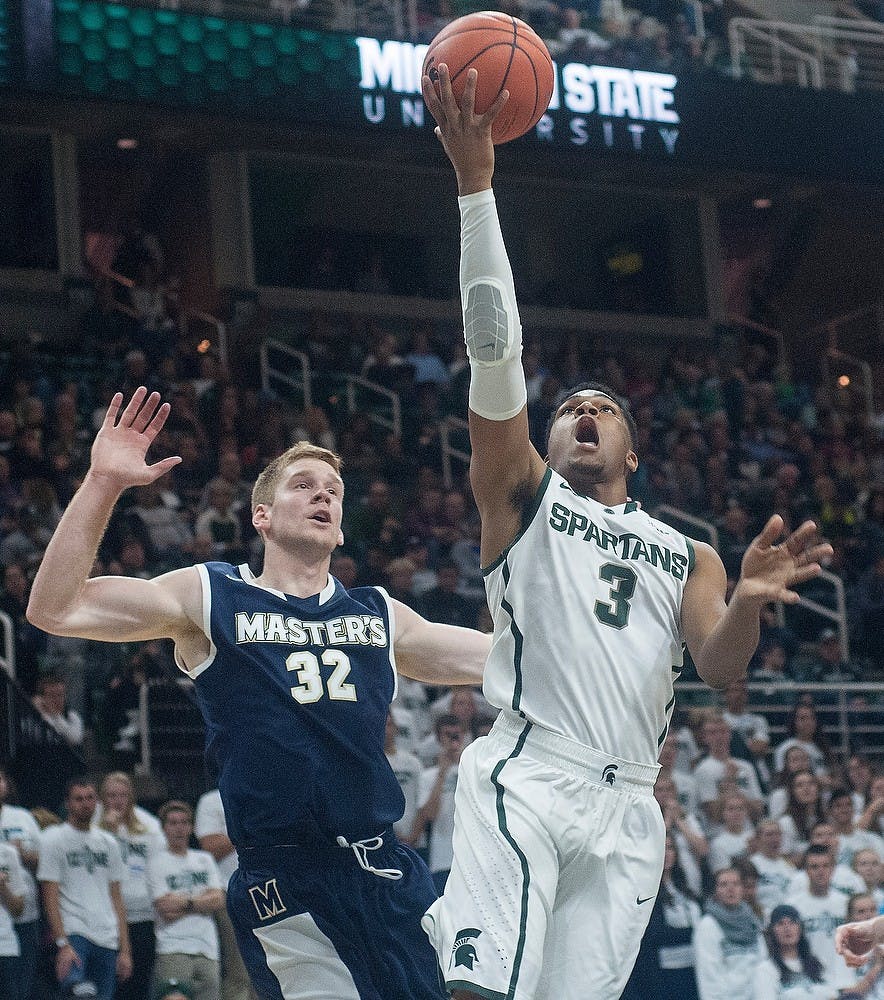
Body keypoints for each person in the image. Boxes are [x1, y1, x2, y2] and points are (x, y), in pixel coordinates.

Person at [420, 63, 832, 1000]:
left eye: (603, 408)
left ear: (634, 449)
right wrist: (476, 192)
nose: (584, 415)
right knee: (481, 992)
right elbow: (494, 353)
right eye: (569, 409)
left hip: (630, 801)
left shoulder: (689, 551)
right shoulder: (521, 498)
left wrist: (753, 606)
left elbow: (721, 672)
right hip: (529, 770)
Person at [26, 387, 491, 1000]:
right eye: (303, 484)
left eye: (332, 489)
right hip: (286, 877)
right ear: (262, 516)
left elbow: (513, 663)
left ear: (342, 524)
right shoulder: (211, 595)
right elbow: (55, 607)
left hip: (385, 870)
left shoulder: (380, 614)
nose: (322, 493)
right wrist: (104, 481)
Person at [37, 777, 132, 1000]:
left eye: (90, 798)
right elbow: (49, 896)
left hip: (107, 935)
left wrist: (125, 950)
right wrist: (62, 942)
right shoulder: (54, 839)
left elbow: (116, 897)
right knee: (79, 993)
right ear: (68, 803)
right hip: (74, 932)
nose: (85, 803)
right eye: (79, 799)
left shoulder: (108, 842)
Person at [96, 771, 165, 1000]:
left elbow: (159, 869)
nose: (118, 800)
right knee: (112, 983)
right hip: (106, 916)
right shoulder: (93, 826)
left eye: (123, 795)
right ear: (102, 797)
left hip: (142, 915)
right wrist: (109, 832)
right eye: (112, 795)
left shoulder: (150, 826)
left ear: (132, 797)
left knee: (139, 981)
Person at [150, 801, 224, 1000]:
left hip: (208, 949)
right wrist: (201, 902)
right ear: (164, 827)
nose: (179, 828)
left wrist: (184, 902)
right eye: (173, 823)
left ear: (191, 827)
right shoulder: (157, 863)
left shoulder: (204, 859)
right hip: (173, 948)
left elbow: (218, 900)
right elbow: (166, 909)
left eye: (184, 823)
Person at [193, 788, 255, 1000]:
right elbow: (210, 848)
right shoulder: (211, 800)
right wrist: (246, 822)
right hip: (230, 892)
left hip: (267, 890)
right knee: (240, 972)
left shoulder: (262, 794)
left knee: (270, 969)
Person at [0, 767, 41, 1000]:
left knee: (21, 988)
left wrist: (23, 854)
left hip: (23, 913)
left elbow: (43, 865)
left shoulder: (22, 818)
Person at [694, 866, 765, 1000]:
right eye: (723, 884)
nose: (730, 889)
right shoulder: (708, 926)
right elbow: (709, 977)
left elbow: (762, 961)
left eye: (736, 884)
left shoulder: (752, 920)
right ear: (715, 891)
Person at [753, 904, 834, 1000]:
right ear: (772, 931)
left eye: (792, 922)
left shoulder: (818, 964)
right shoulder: (766, 970)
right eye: (780, 923)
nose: (787, 928)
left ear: (800, 928)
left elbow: (832, 994)